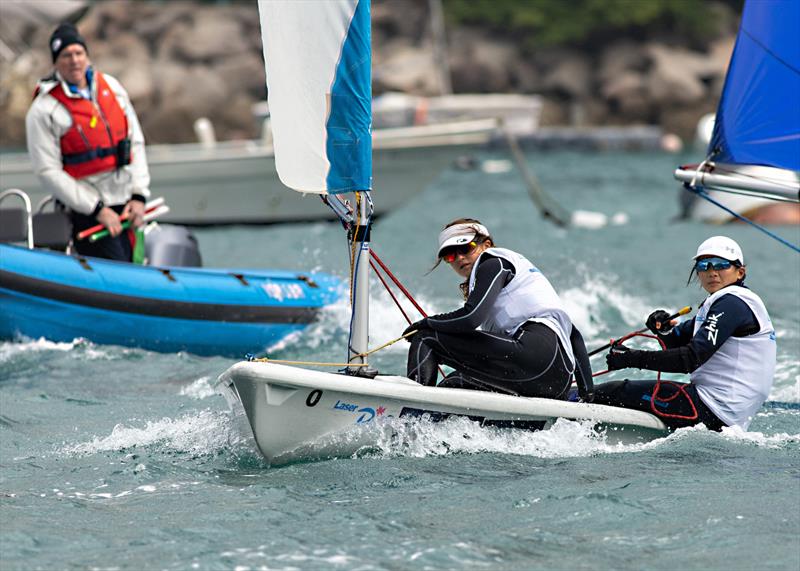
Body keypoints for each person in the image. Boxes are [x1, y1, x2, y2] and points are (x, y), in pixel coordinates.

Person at [594, 236, 776, 432]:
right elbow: (679, 341)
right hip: (723, 413)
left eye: (721, 265)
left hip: (711, 410)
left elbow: (690, 358)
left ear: (740, 272)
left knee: (617, 391)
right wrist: (664, 328)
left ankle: (562, 403)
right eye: (704, 265)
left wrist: (631, 358)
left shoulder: (732, 303)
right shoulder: (726, 302)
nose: (712, 272)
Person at [404, 218, 594, 401]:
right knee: (455, 382)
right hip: (556, 383)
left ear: (486, 246)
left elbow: (471, 318)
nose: (459, 257)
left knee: (426, 337)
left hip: (534, 356)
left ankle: (409, 410)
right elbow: (573, 334)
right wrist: (587, 394)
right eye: (451, 255)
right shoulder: (521, 279)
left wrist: (427, 323)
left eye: (465, 248)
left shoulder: (494, 262)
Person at [25, 22, 150, 261]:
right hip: (87, 211)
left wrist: (138, 195)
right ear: (55, 62)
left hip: (125, 203)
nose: (74, 61)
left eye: (78, 53)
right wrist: (96, 209)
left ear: (87, 56)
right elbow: (47, 171)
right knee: (115, 271)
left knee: (134, 264)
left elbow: (135, 142)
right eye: (66, 56)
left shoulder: (112, 87)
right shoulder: (44, 110)